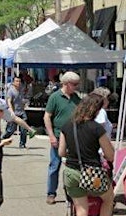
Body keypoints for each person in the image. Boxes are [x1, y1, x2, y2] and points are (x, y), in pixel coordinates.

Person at [59, 94, 114, 216]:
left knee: (81, 209)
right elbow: (110, 156)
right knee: (109, 199)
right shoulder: (97, 128)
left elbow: (61, 152)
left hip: (71, 173)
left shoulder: (67, 125)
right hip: (92, 174)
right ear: (96, 110)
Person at [44, 71, 81, 205]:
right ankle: (51, 193)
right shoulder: (55, 97)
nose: (76, 86)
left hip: (74, 138)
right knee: (54, 166)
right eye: (74, 84)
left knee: (73, 168)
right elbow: (47, 116)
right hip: (59, 137)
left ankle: (73, 193)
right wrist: (52, 136)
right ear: (66, 84)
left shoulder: (77, 98)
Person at [2, 76, 29, 148]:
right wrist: (11, 111)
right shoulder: (11, 91)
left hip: (22, 112)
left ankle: (22, 144)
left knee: (24, 129)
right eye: (16, 81)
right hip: (14, 113)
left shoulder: (21, 90)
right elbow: (9, 101)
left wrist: (24, 103)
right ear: (13, 82)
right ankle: (2, 140)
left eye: (19, 81)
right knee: (10, 130)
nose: (18, 83)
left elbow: (22, 99)